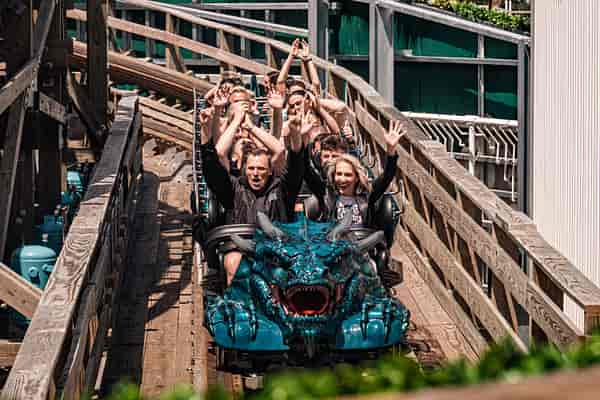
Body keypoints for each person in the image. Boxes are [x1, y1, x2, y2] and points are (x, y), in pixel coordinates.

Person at [200, 107, 306, 285]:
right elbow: (212, 165)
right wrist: (207, 130)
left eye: (261, 169)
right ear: (245, 170)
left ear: (270, 171)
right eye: (251, 169)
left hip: (275, 249)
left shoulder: (281, 190)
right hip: (240, 248)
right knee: (234, 262)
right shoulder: (235, 188)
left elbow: (295, 166)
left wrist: (295, 135)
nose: (255, 174)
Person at [306, 120, 406, 226]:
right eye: (339, 174)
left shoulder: (368, 195)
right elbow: (307, 172)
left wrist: (391, 149)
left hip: (362, 235)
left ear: (357, 177)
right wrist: (303, 141)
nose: (342, 179)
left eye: (348, 175)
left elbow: (387, 176)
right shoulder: (326, 194)